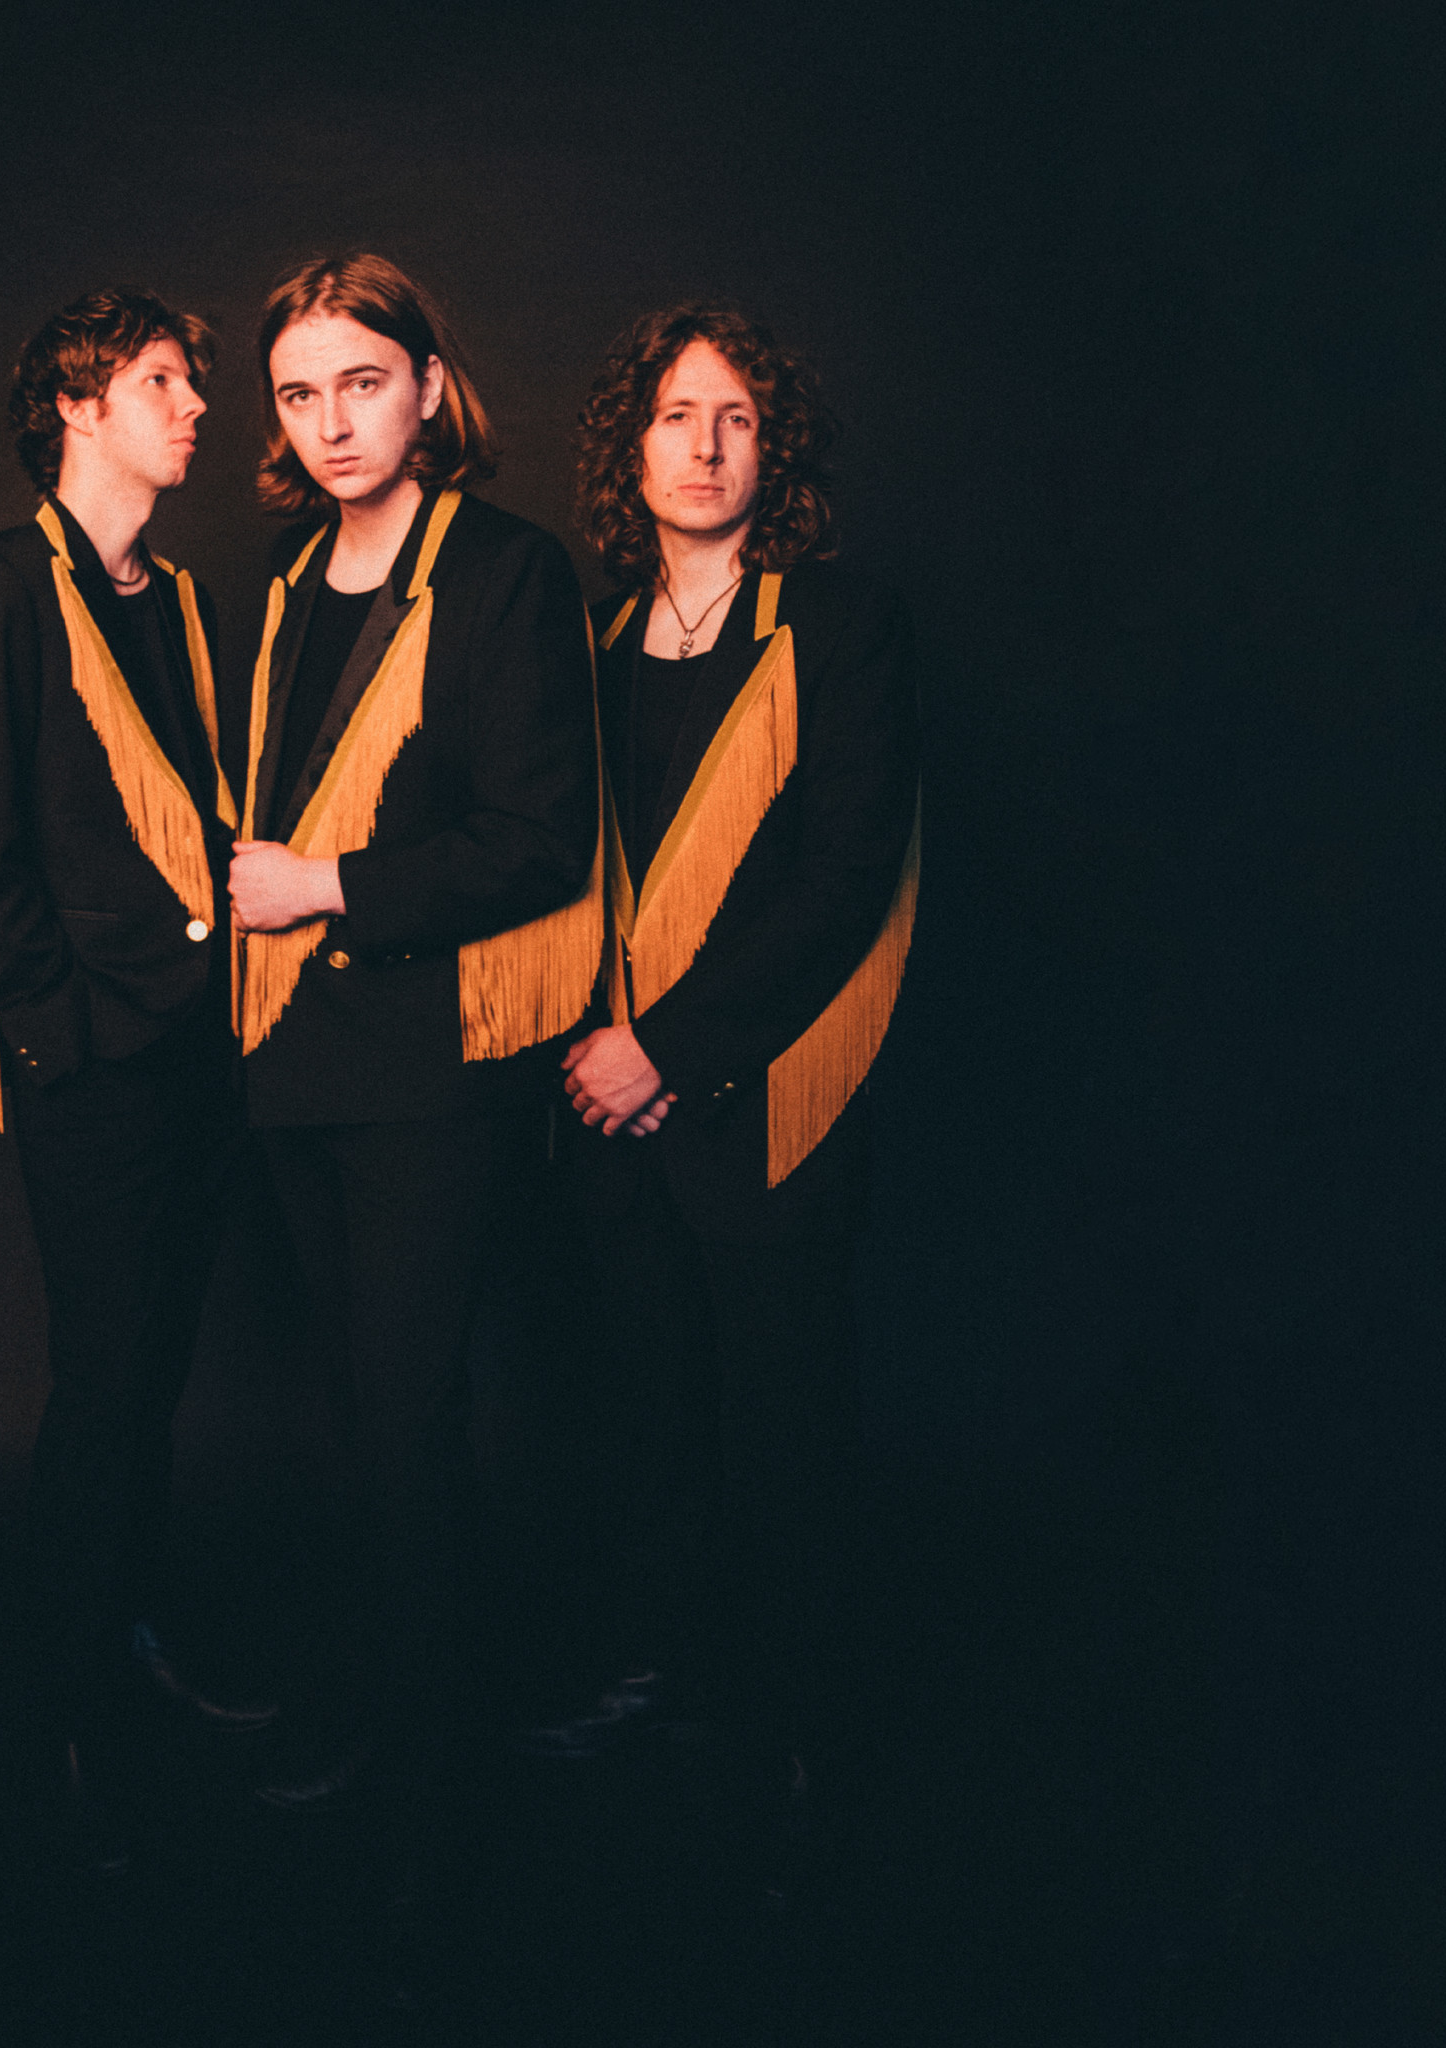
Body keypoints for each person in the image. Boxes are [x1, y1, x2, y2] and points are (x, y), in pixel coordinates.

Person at [532, 304, 920, 1891]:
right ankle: (660, 1680)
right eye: (676, 415)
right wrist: (598, 1052)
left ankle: (800, 1725)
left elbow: (842, 880)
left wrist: (669, 1052)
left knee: (786, 1428)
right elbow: (562, 876)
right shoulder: (595, 640)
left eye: (736, 417)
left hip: (767, 1099)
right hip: (615, 1112)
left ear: (775, 447)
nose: (703, 445)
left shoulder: (838, 623)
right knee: (644, 1416)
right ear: (632, 446)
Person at [226, 253, 602, 1825]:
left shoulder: (507, 571)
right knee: (353, 1415)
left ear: (431, 387)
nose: (330, 423)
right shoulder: (285, 582)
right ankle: (389, 1714)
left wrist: (325, 885)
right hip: (292, 1064)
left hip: (435, 1072)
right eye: (299, 394)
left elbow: (540, 842)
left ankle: (430, 1768)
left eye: (362, 384)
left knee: (409, 1413)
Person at [0, 288, 272, 1874]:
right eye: (163, 381)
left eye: (191, 382)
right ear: (78, 404)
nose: (194, 408)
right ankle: (62, 1716)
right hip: (93, 1072)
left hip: (202, 1058)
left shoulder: (177, 599)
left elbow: (196, 816)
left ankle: (125, 1652)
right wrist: (65, 1042)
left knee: (156, 1380)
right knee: (105, 1385)